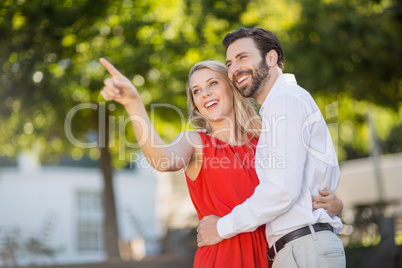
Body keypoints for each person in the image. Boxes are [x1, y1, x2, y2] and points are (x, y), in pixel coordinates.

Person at [99, 57, 343, 267]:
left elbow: (296, 186)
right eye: (196, 91)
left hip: (277, 255)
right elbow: (163, 161)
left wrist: (334, 204)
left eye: (212, 83)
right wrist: (133, 103)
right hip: (224, 255)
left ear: (232, 87)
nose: (204, 93)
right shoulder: (195, 142)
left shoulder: (266, 138)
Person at [197, 27, 346, 268]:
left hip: (304, 249)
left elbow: (280, 191)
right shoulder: (281, 106)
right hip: (302, 249)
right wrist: (338, 206)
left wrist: (221, 228)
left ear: (271, 58)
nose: (234, 69)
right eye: (229, 63)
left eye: (242, 57)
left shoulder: (284, 100)